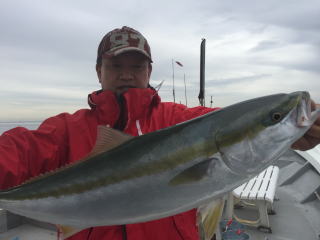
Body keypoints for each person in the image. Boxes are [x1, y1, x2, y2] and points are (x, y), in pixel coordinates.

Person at [0, 26, 319, 240]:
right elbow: (22, 148)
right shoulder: (67, 130)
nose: (126, 74)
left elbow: (224, 123)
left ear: (149, 71)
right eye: (115, 65)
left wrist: (295, 133)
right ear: (99, 71)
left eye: (137, 66)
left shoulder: (181, 120)